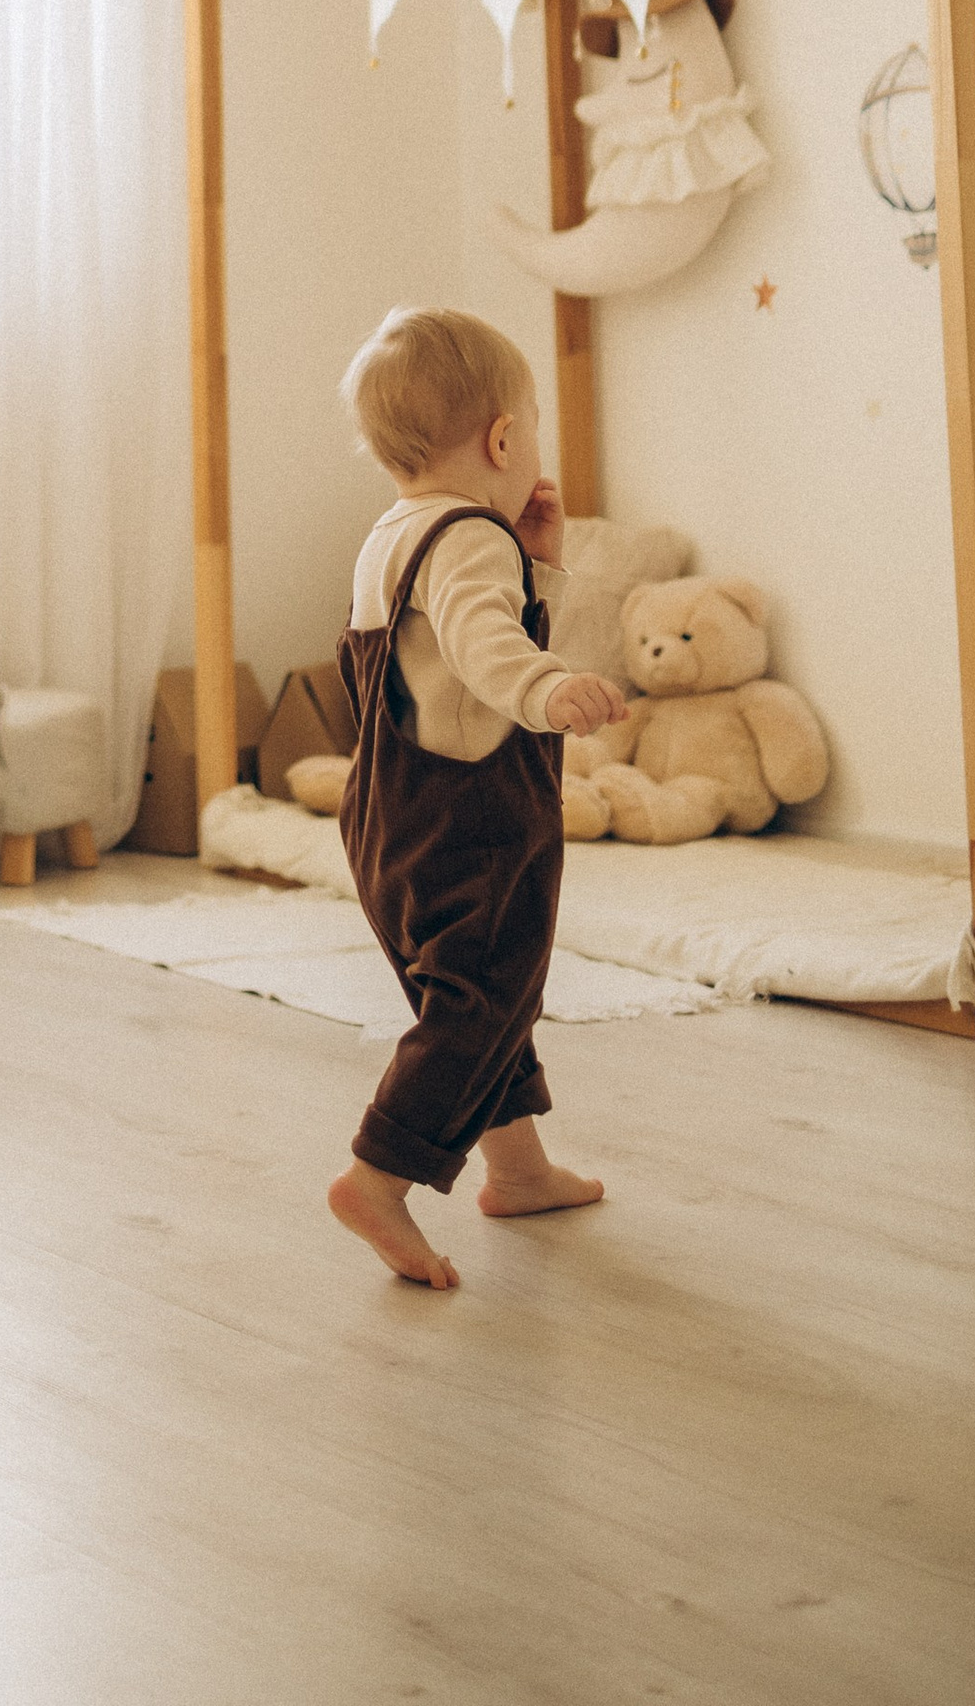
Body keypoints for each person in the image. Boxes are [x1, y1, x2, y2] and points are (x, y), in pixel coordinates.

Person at [326, 306, 629, 1290]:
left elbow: (432, 653)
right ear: (504, 436)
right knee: (484, 994)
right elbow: (483, 646)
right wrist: (547, 686)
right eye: (530, 425)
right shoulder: (468, 544)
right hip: (474, 823)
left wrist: (528, 555)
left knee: (479, 993)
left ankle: (519, 1168)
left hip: (386, 816)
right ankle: (380, 1174)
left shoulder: (394, 536)